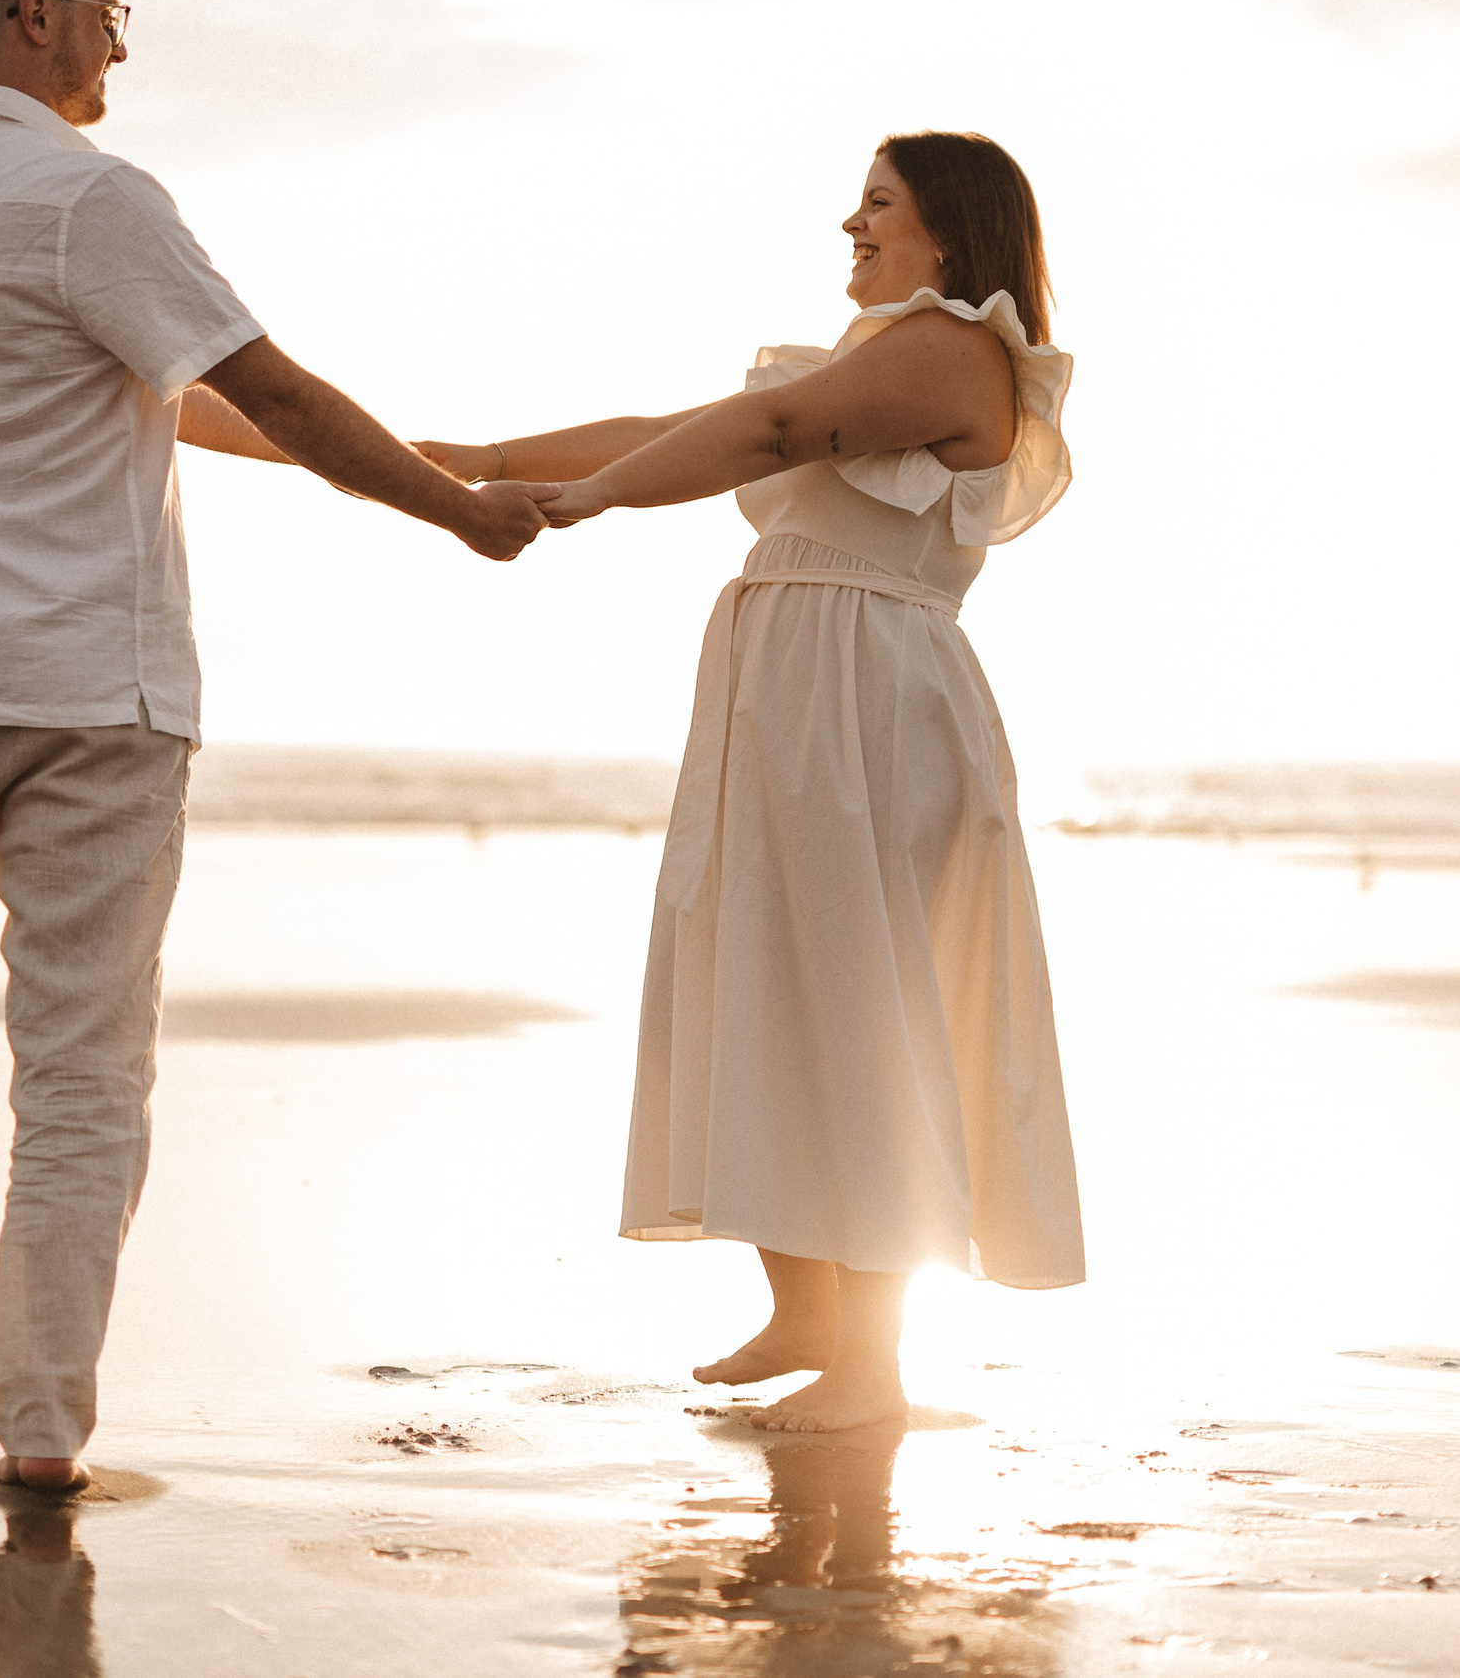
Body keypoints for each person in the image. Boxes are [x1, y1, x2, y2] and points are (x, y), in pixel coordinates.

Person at [0, 0, 548, 1493]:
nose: (129, 40)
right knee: (82, 1068)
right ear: (42, 13)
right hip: (91, 696)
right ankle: (45, 1427)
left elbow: (153, 397)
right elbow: (273, 388)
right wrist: (456, 512)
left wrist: (416, 454)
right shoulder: (92, 198)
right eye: (117, 10)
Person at [419, 131, 1085, 1434]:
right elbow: (692, 427)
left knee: (859, 1003)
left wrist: (591, 502)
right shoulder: (871, 354)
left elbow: (764, 433)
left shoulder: (956, 350)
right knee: (768, 976)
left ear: (950, 230)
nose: (852, 222)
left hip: (870, 706)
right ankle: (810, 1312)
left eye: (879, 204)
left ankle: (873, 1372)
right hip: (792, 693)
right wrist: (491, 458)